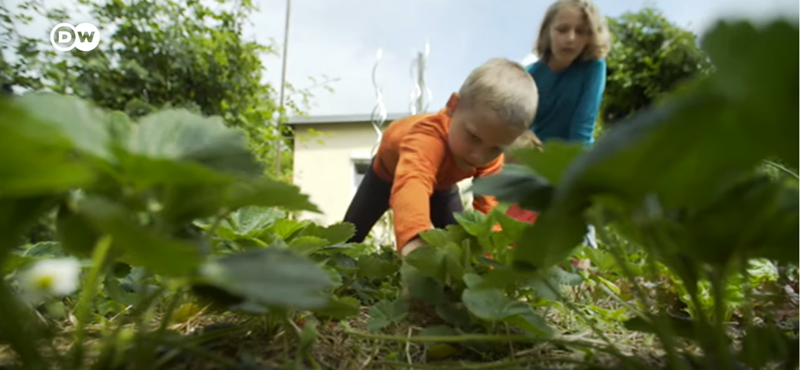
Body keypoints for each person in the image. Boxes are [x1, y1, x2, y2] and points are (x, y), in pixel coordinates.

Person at [342, 57, 539, 257]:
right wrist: (414, 243)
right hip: (386, 175)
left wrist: (490, 257)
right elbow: (413, 184)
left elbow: (488, 208)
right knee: (349, 235)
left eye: (496, 148)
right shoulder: (427, 138)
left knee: (461, 244)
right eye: (473, 137)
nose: (479, 155)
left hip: (442, 186)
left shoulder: (490, 155)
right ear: (453, 106)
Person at [525, 0, 612, 248]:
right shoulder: (530, 76)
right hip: (534, 169)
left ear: (590, 36)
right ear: (547, 32)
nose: (570, 38)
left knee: (581, 246)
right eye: (562, 29)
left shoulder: (593, 68)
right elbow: (520, 130)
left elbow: (582, 130)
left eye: (581, 31)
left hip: (573, 168)